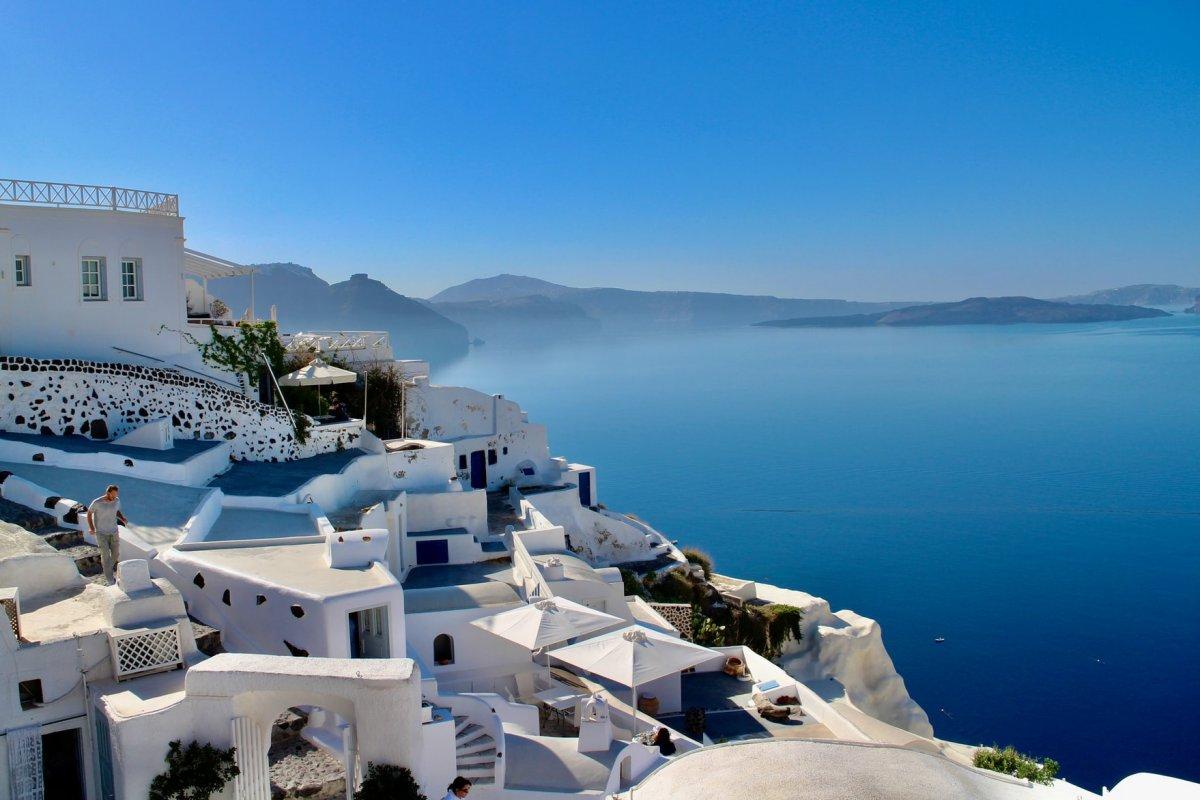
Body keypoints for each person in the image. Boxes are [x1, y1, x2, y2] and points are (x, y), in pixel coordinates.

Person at [87, 484, 128, 585]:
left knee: (115, 554)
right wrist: (92, 528)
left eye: (116, 495)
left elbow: (117, 510)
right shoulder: (97, 502)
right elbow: (89, 513)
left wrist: (122, 518)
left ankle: (106, 568)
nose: (114, 497)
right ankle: (110, 579)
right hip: (101, 533)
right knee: (105, 555)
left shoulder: (116, 501)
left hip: (114, 531)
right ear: (107, 493)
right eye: (112, 495)